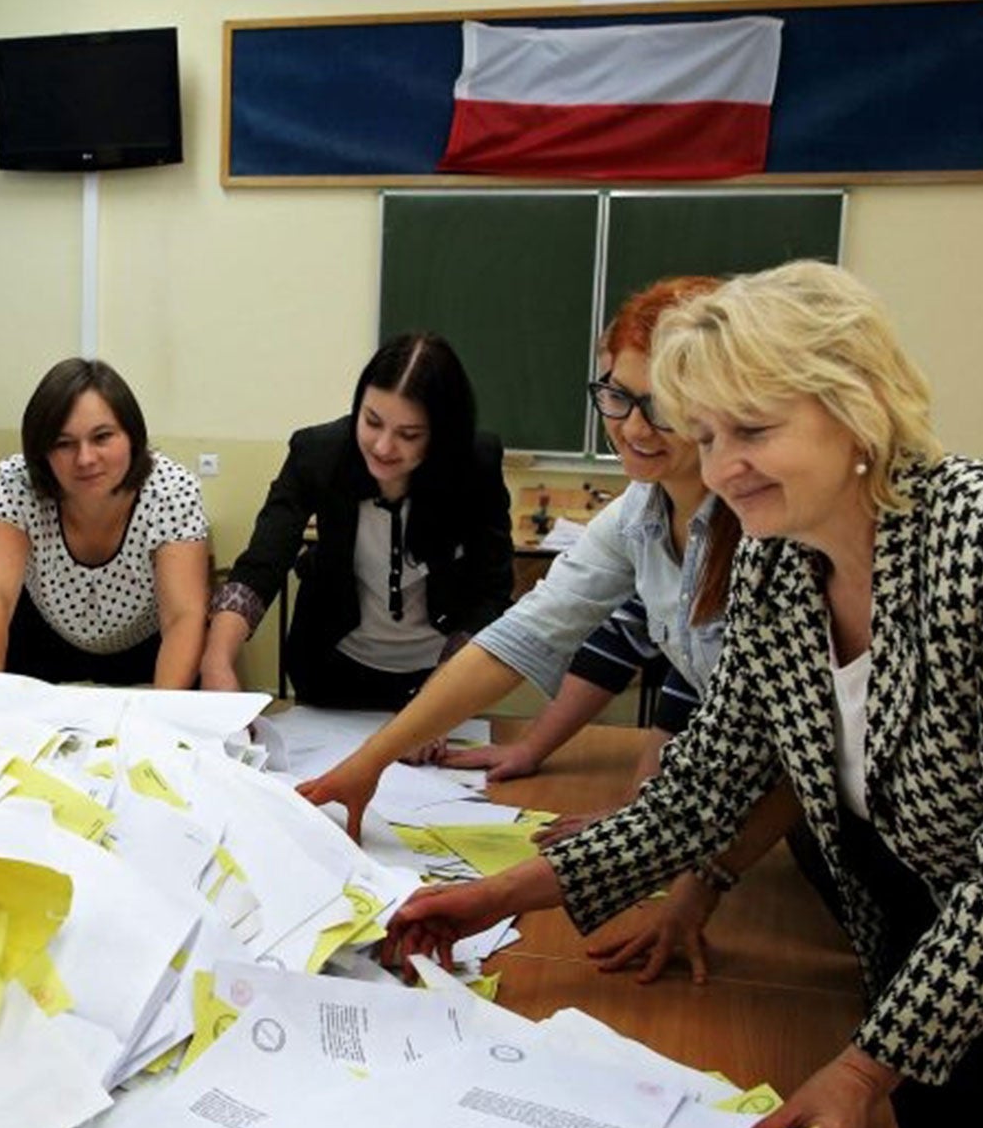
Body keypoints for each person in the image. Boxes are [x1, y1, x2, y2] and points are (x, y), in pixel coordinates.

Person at [387, 260, 983, 1128]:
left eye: (750, 428)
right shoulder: (769, 559)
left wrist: (863, 1072)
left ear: (855, 407)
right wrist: (499, 895)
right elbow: (704, 788)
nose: (720, 467)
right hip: (902, 941)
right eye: (705, 434)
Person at [297, 279, 800, 981]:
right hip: (739, 827)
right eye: (617, 396)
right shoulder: (640, 513)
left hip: (807, 832)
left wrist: (694, 890)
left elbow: (785, 758)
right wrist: (368, 764)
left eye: (661, 407)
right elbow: (520, 638)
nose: (630, 425)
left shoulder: (774, 533)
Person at [199, 332, 512, 709]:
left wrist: (446, 688)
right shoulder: (319, 453)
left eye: (408, 434)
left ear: (442, 435)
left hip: (440, 671)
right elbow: (263, 563)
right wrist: (217, 661)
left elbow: (491, 589)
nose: (382, 446)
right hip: (332, 666)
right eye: (372, 421)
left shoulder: (474, 465)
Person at [0, 357, 210, 687]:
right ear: (42, 452)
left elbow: (183, 617)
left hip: (148, 653)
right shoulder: (16, 482)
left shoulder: (171, 491)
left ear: (132, 436)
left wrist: (159, 719)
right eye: (64, 444)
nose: (85, 459)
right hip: (43, 643)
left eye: (102, 437)